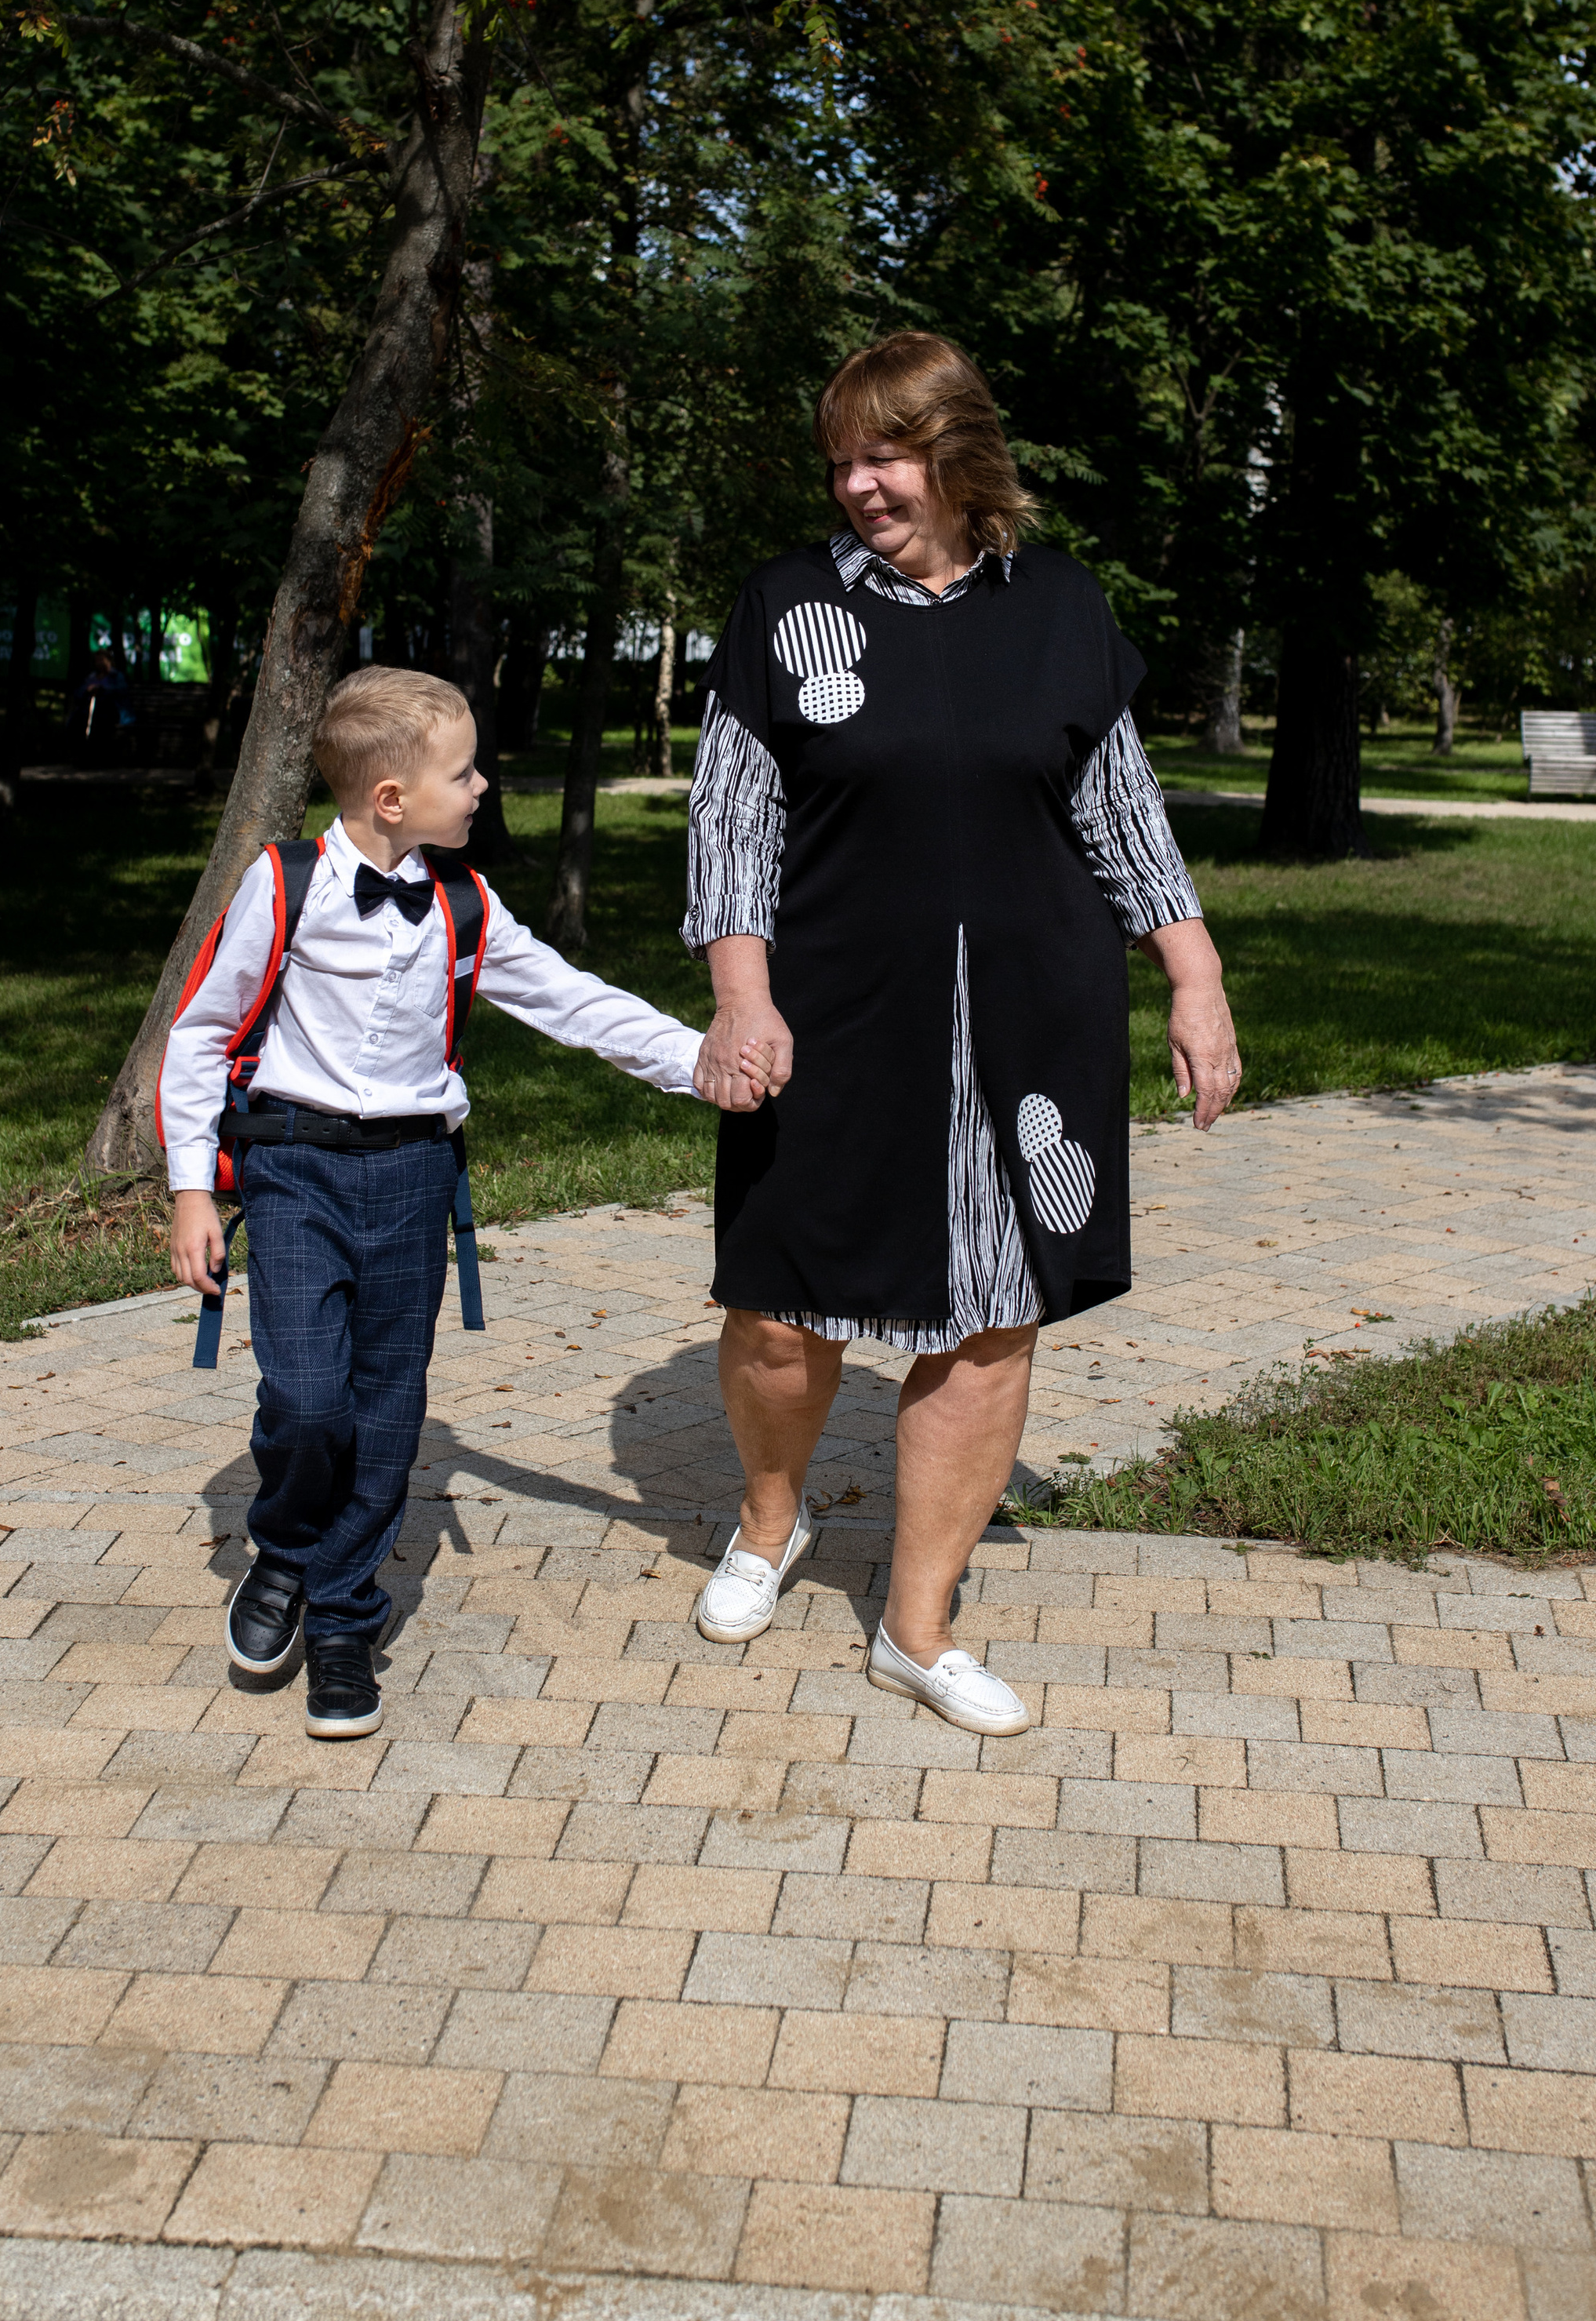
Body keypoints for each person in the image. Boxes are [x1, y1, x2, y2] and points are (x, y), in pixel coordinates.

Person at [685, 331, 1242, 1736]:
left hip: (1028, 1017)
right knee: (778, 1310)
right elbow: (731, 822)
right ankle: (769, 1522)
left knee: (993, 1315)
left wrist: (1194, 974)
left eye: (885, 453)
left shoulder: (1057, 605)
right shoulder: (786, 605)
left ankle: (917, 1624)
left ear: (958, 452)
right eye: (842, 461)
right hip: (830, 1013)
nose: (859, 484)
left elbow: (1121, 811)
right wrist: (740, 994)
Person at [164, 665, 758, 1738]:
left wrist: (703, 1058)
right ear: (392, 797)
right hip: (293, 1169)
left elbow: (571, 1001)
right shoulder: (282, 882)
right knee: (306, 1398)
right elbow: (202, 1034)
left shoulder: (465, 902)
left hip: (411, 1180)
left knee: (388, 1405)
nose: (483, 784)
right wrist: (190, 1191)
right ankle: (284, 1551)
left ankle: (344, 1618)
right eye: (464, 769)